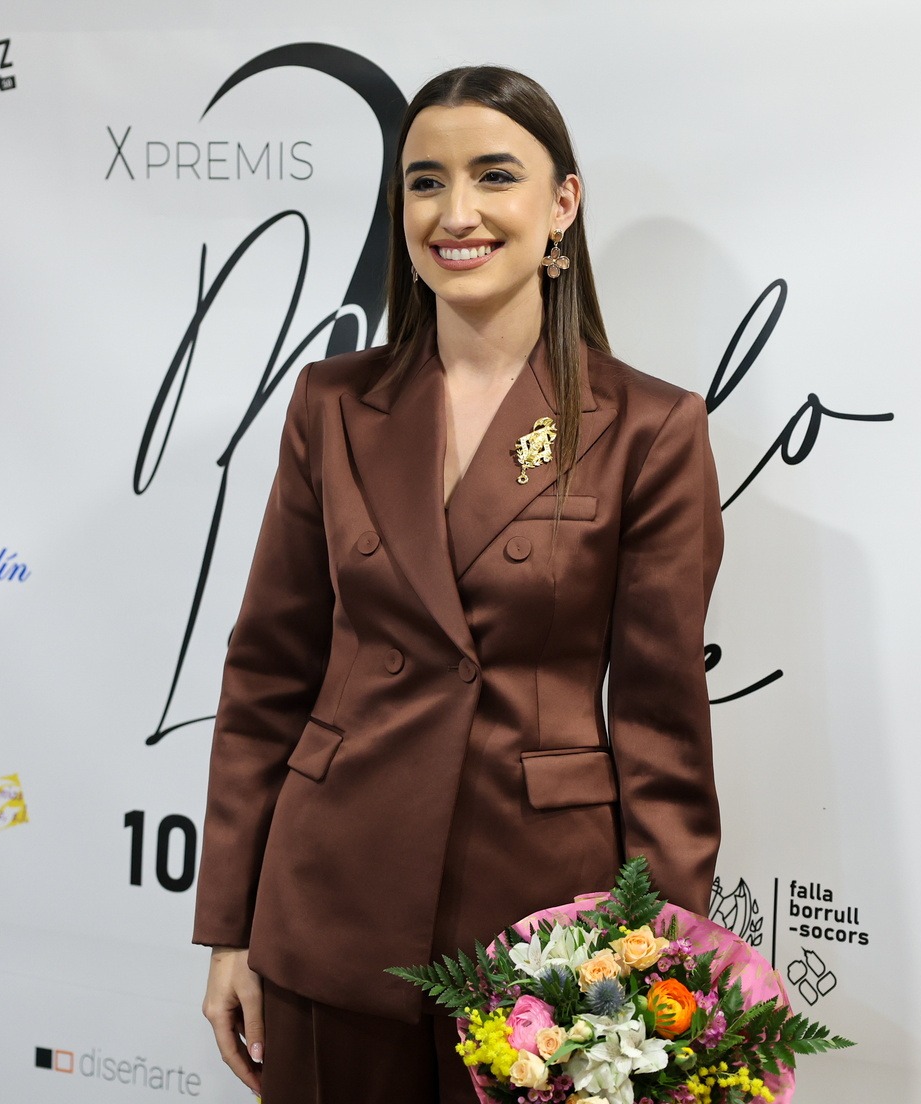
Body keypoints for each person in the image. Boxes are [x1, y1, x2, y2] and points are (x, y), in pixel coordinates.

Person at [192, 65, 723, 1104]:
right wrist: (230, 930)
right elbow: (267, 675)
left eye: (495, 176)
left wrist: (656, 968)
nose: (457, 212)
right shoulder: (333, 403)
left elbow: (662, 730)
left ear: (562, 203)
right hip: (328, 905)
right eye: (426, 182)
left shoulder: (649, 428)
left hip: (544, 931)